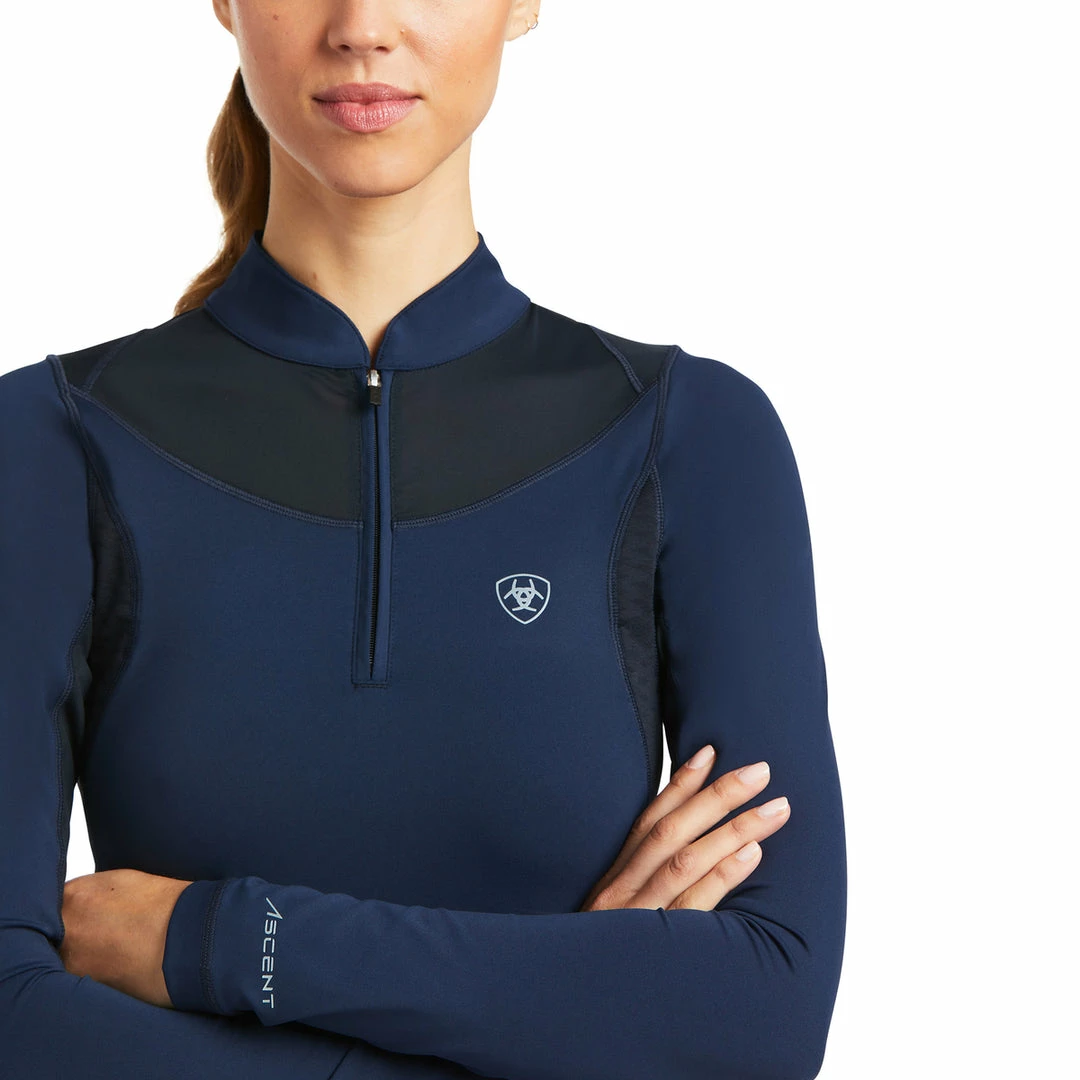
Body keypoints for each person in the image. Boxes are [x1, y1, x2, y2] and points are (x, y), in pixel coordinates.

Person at [0, 2, 847, 1077]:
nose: (363, 25)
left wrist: (220, 941)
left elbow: (763, 1015)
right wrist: (575, 1018)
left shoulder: (690, 438)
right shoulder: (49, 444)